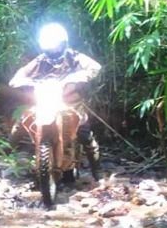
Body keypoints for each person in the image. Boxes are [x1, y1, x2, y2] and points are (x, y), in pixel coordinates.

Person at [8, 22, 102, 179]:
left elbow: (95, 67)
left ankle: (96, 171)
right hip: (45, 101)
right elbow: (18, 76)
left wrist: (78, 76)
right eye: (49, 47)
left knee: (85, 134)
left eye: (56, 46)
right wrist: (24, 82)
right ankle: (5, 152)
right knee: (20, 125)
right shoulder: (40, 61)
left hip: (71, 103)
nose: (53, 51)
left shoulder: (75, 57)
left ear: (63, 44)